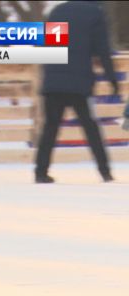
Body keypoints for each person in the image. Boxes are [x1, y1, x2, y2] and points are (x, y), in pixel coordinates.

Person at [35, 0, 120, 183]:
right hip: (79, 84)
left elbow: (47, 46)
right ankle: (105, 172)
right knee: (91, 127)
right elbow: (102, 50)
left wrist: (48, 75)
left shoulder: (57, 11)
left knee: (50, 127)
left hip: (53, 82)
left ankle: (40, 172)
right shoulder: (95, 13)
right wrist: (112, 79)